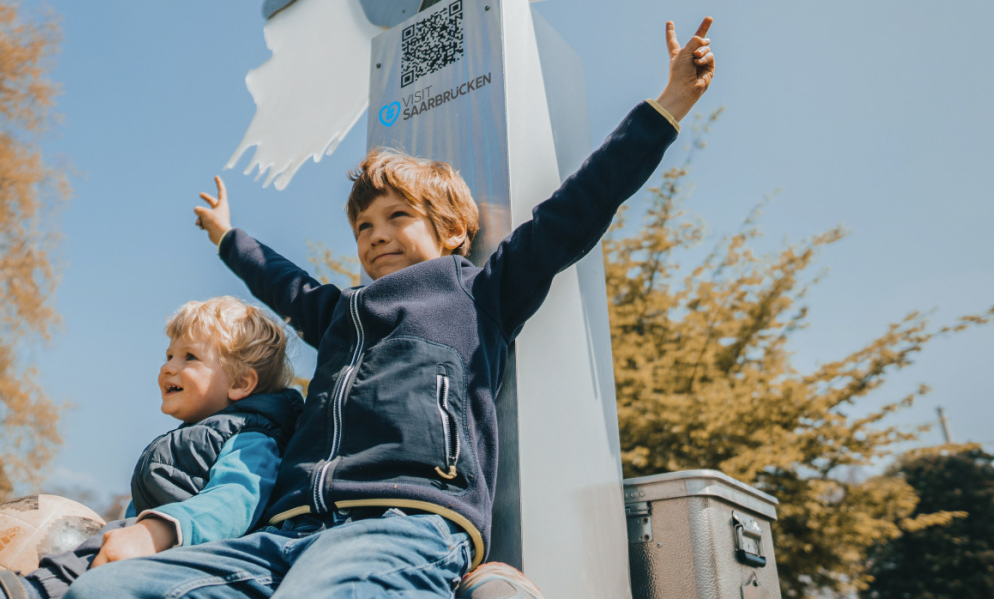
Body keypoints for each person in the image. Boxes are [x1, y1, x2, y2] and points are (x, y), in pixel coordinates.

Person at [61, 16, 715, 599]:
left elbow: (575, 210)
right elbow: (282, 282)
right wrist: (229, 238)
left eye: (397, 216)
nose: (374, 234)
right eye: (363, 226)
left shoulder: (481, 291)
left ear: (454, 230)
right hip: (286, 530)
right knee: (107, 588)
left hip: (407, 523)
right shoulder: (340, 314)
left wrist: (667, 107)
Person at [0, 297, 303, 599]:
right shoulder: (194, 437)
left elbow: (235, 502)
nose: (168, 367)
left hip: (173, 559)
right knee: (51, 573)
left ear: (241, 383)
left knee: (39, 582)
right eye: (168, 354)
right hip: (131, 549)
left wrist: (154, 534)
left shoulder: (250, 438)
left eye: (189, 357)